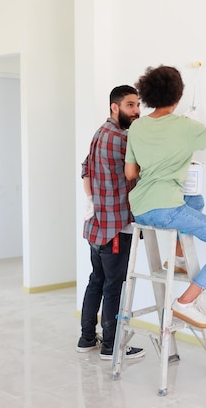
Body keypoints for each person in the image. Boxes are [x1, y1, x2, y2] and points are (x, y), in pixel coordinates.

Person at [125, 65, 206, 329]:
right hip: (166, 209)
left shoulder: (137, 127)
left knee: (195, 200)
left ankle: (178, 257)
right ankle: (186, 302)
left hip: (141, 208)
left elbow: (130, 172)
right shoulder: (186, 126)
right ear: (178, 96)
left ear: (148, 95)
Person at [77, 85, 145, 360]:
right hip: (116, 227)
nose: (137, 110)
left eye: (138, 104)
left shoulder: (99, 134)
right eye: (130, 105)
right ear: (114, 107)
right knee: (113, 285)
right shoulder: (123, 139)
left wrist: (93, 200)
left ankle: (86, 338)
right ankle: (111, 346)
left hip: (96, 224)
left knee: (97, 280)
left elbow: (85, 168)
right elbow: (140, 173)